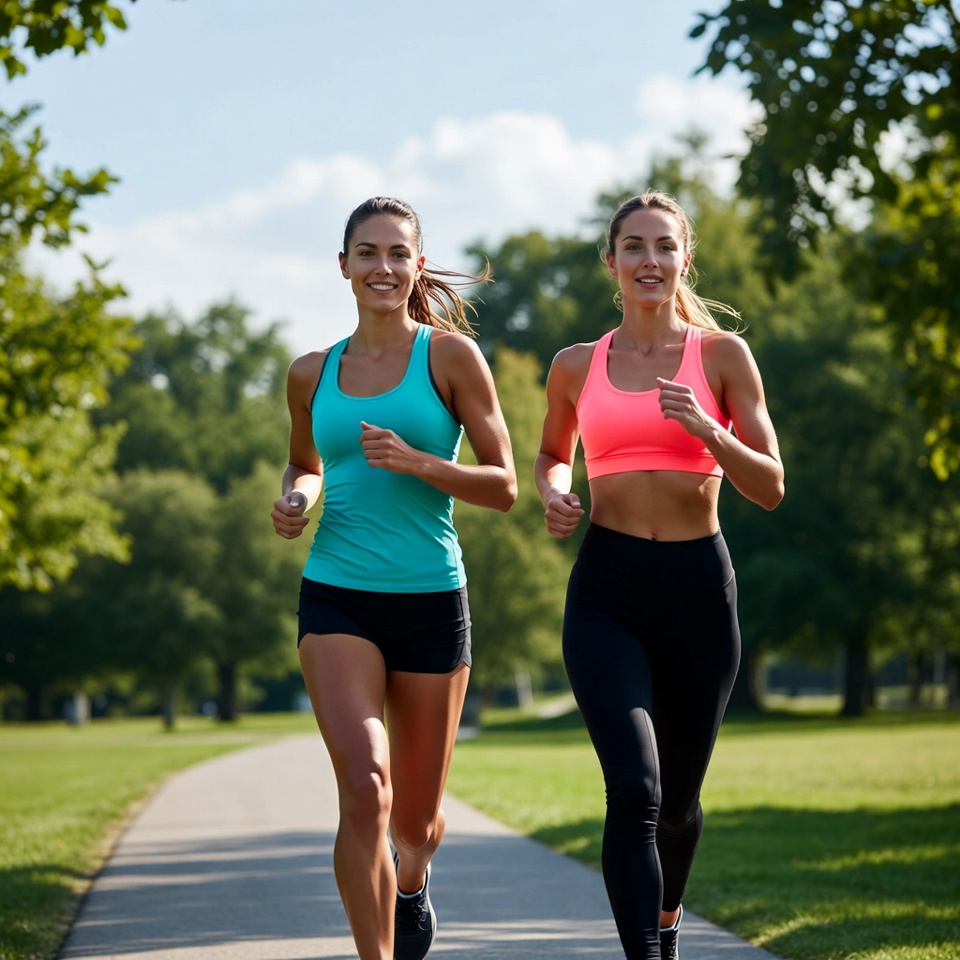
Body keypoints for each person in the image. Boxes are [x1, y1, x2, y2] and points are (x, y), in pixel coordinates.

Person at [534, 191, 784, 960]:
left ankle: (668, 922)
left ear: (685, 259)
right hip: (607, 590)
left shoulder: (723, 357)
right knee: (635, 790)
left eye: (664, 246)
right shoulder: (576, 365)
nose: (650, 260)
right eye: (634, 246)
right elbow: (551, 454)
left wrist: (708, 429)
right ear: (611, 261)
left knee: (676, 804)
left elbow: (771, 486)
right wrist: (554, 492)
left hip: (697, 590)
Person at [271, 196, 517, 960]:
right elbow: (307, 463)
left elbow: (505, 485)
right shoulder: (311, 373)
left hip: (431, 599)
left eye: (397, 253)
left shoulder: (449, 359)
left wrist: (420, 464)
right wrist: (297, 498)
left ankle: (412, 881)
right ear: (343, 266)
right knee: (364, 788)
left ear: (417, 265)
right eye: (368, 253)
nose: (383, 267)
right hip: (337, 593)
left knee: (415, 825)